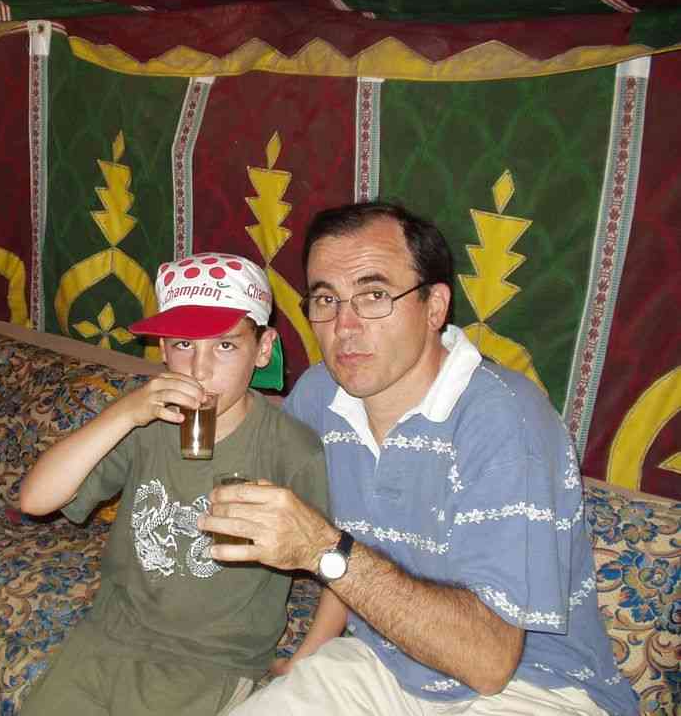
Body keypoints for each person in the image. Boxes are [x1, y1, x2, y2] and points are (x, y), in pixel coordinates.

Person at [198, 202, 636, 715]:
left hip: (533, 685)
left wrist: (321, 548)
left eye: (374, 296)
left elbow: (489, 661)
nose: (344, 326)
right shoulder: (321, 396)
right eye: (326, 299)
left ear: (435, 307)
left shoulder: (506, 420)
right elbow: (248, 486)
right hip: (383, 660)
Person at [19, 252, 330, 716]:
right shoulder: (145, 423)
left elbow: (339, 563)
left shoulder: (293, 450)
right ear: (163, 349)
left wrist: (307, 658)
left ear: (263, 349)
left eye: (225, 346)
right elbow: (34, 499)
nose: (200, 370)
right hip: (109, 634)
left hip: (212, 660)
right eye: (184, 344)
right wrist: (125, 413)